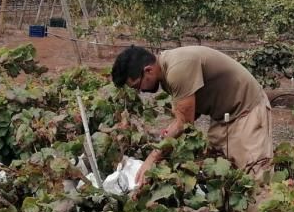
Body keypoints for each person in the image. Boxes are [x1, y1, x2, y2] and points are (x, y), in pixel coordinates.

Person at [111, 45, 273, 186]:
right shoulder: (165, 72)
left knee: (255, 177)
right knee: (225, 175)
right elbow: (189, 113)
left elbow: (184, 123)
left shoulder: (177, 69)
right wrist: (172, 128)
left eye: (137, 85)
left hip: (247, 110)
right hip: (222, 118)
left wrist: (152, 158)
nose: (140, 91)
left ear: (148, 70)